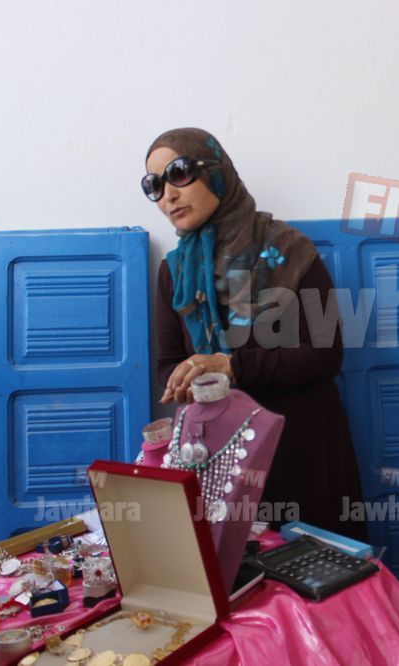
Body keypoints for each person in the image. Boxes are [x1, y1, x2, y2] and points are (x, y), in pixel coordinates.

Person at [144, 127, 367, 541]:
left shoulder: (291, 251)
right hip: (221, 455)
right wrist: (189, 376)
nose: (168, 195)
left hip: (301, 447)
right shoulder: (173, 272)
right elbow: (166, 365)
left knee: (316, 569)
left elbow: (326, 353)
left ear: (215, 172)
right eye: (154, 185)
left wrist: (231, 366)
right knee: (236, 568)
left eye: (178, 173)